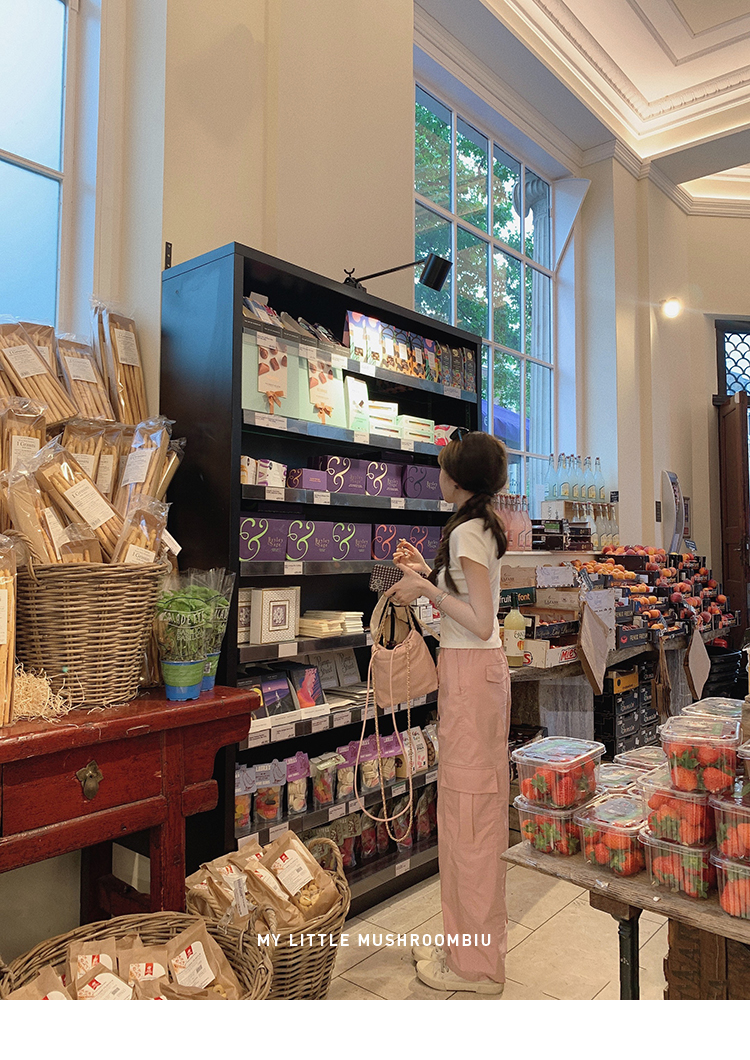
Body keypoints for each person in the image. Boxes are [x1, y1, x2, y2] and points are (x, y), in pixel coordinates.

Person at [385, 430, 510, 995]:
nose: (437, 475)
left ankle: (475, 967)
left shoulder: (466, 531)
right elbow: (474, 607)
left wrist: (426, 592)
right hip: (475, 674)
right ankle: (465, 946)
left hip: (470, 674)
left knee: (470, 817)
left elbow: (479, 621)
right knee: (468, 813)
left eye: (442, 467)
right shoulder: (480, 526)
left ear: (457, 477)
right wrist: (428, 577)